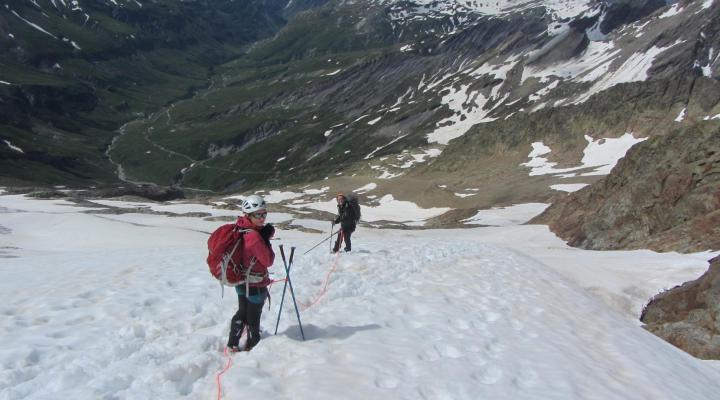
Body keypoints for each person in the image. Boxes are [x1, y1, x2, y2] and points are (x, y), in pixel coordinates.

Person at [227, 194, 275, 352]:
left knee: (242, 311)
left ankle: (232, 343)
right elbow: (268, 260)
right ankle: (253, 346)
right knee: (253, 318)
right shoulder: (254, 236)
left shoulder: (241, 227)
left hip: (241, 280)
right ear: (248, 215)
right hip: (255, 283)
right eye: (258, 215)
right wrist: (266, 240)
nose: (262, 218)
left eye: (264, 213)